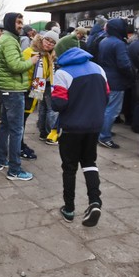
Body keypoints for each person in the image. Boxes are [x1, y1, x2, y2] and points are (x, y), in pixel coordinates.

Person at [50, 46, 108, 227]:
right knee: (90, 163)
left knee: (69, 167)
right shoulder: (99, 69)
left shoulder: (63, 73)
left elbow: (58, 104)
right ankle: (95, 202)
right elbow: (106, 95)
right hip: (94, 125)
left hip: (71, 128)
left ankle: (69, 208)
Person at [0, 12, 39, 181]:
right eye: (18, 22)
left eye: (22, 22)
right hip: (13, 90)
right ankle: (14, 169)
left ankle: (0, 161)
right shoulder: (9, 41)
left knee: (6, 126)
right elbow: (15, 66)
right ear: (10, 23)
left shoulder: (7, 39)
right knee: (16, 130)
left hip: (8, 89)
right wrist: (32, 61)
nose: (21, 25)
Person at [96, 18, 134, 149]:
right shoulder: (119, 44)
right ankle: (104, 137)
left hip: (105, 79)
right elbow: (124, 64)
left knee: (104, 108)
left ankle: (100, 133)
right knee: (112, 110)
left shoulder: (104, 41)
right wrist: (131, 74)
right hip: (116, 81)